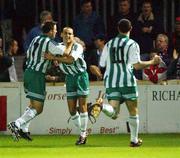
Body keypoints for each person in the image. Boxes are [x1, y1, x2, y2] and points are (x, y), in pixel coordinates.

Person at [89, 19, 161, 147]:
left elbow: (102, 64)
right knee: (133, 110)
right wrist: (152, 62)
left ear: (118, 28)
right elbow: (137, 65)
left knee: (114, 113)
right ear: (131, 28)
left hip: (111, 81)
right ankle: (134, 140)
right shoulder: (132, 44)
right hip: (127, 80)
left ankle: (101, 107)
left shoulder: (109, 44)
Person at [8, 21, 72, 141]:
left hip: (28, 72)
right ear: (49, 31)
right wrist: (71, 42)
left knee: (33, 104)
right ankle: (16, 124)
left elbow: (29, 53)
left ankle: (24, 129)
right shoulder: (49, 42)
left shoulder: (36, 38)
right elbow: (66, 53)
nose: (56, 31)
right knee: (38, 108)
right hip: (37, 75)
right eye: (55, 29)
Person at [44, 27, 89, 145]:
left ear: (73, 35)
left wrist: (53, 58)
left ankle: (83, 134)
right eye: (66, 33)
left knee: (82, 106)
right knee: (72, 110)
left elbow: (70, 60)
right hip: (69, 78)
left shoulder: (77, 47)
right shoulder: (58, 46)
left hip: (80, 76)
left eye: (70, 34)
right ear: (61, 34)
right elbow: (49, 54)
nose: (68, 36)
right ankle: (82, 132)